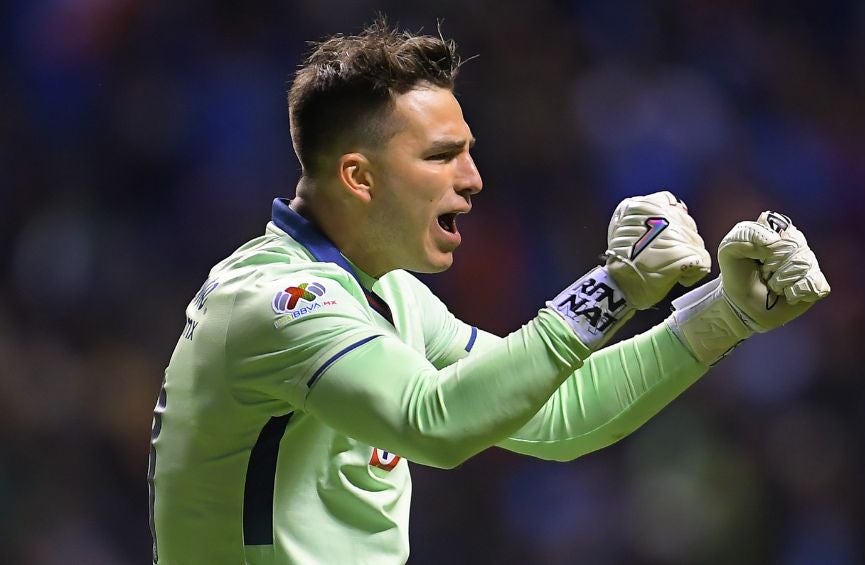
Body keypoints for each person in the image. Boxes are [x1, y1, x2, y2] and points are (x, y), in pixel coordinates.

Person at [147, 20, 830, 565]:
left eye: (468, 151)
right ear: (359, 177)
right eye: (441, 155)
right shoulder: (280, 301)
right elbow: (433, 423)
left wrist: (725, 314)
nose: (473, 179)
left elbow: (558, 413)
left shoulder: (390, 296)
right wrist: (615, 285)